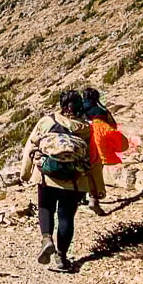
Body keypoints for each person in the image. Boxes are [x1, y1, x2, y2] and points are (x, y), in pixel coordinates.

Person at [20, 89, 103, 272]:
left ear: (62, 106)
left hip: (47, 175)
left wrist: (25, 173)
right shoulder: (86, 129)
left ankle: (46, 239)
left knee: (45, 207)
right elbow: (95, 159)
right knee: (66, 216)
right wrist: (98, 188)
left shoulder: (47, 122)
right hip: (75, 180)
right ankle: (61, 257)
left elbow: (30, 146)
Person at [82, 87, 126, 215]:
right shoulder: (101, 110)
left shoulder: (78, 109)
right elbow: (112, 127)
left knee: (82, 172)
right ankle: (94, 199)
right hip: (97, 146)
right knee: (95, 172)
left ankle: (81, 196)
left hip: (80, 144)